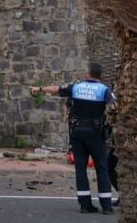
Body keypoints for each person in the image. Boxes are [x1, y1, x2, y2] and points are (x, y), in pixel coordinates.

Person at [31, 63, 116, 214]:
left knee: (80, 169)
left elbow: (56, 89)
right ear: (99, 75)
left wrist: (39, 89)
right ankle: (107, 206)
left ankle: (85, 205)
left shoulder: (76, 87)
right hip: (96, 134)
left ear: (88, 73)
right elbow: (114, 106)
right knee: (102, 168)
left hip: (77, 133)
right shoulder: (104, 90)